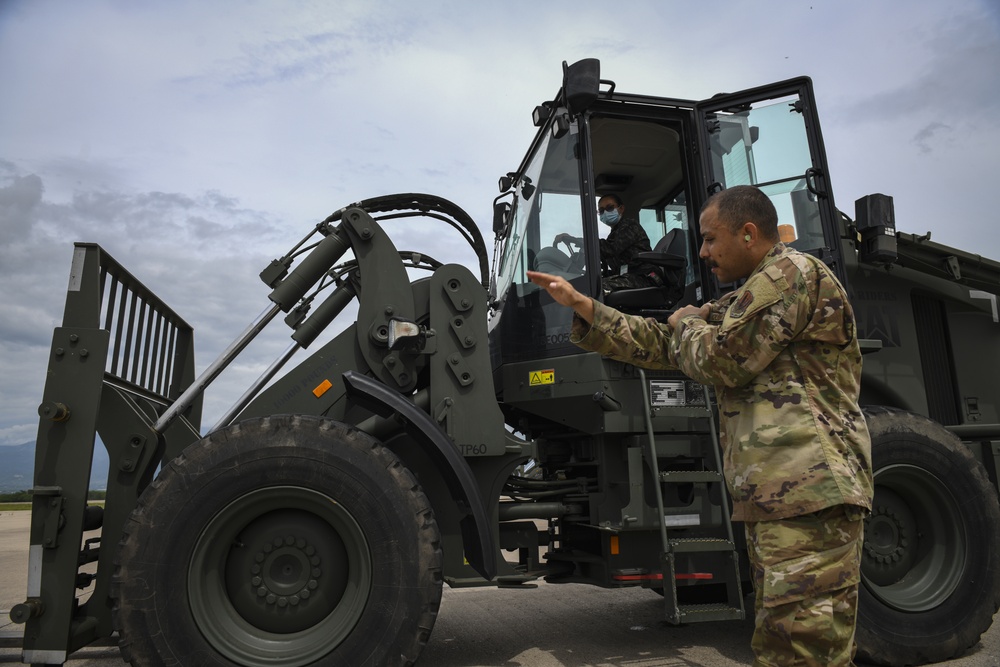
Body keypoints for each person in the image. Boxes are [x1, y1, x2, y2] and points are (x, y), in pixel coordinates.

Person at [528, 184, 873, 667]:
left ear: (749, 233)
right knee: (792, 642)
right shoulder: (750, 295)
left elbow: (720, 360)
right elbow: (666, 345)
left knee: (802, 647)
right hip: (783, 494)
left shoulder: (789, 276)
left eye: (711, 239)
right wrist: (586, 307)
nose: (703, 252)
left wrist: (688, 323)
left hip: (808, 493)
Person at [554, 193, 659, 291]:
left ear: (621, 209)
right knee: (588, 283)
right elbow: (612, 262)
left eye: (609, 208)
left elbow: (610, 249)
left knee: (593, 288)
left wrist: (578, 240)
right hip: (630, 276)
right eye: (601, 210)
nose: (605, 213)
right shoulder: (615, 234)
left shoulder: (629, 226)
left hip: (644, 278)